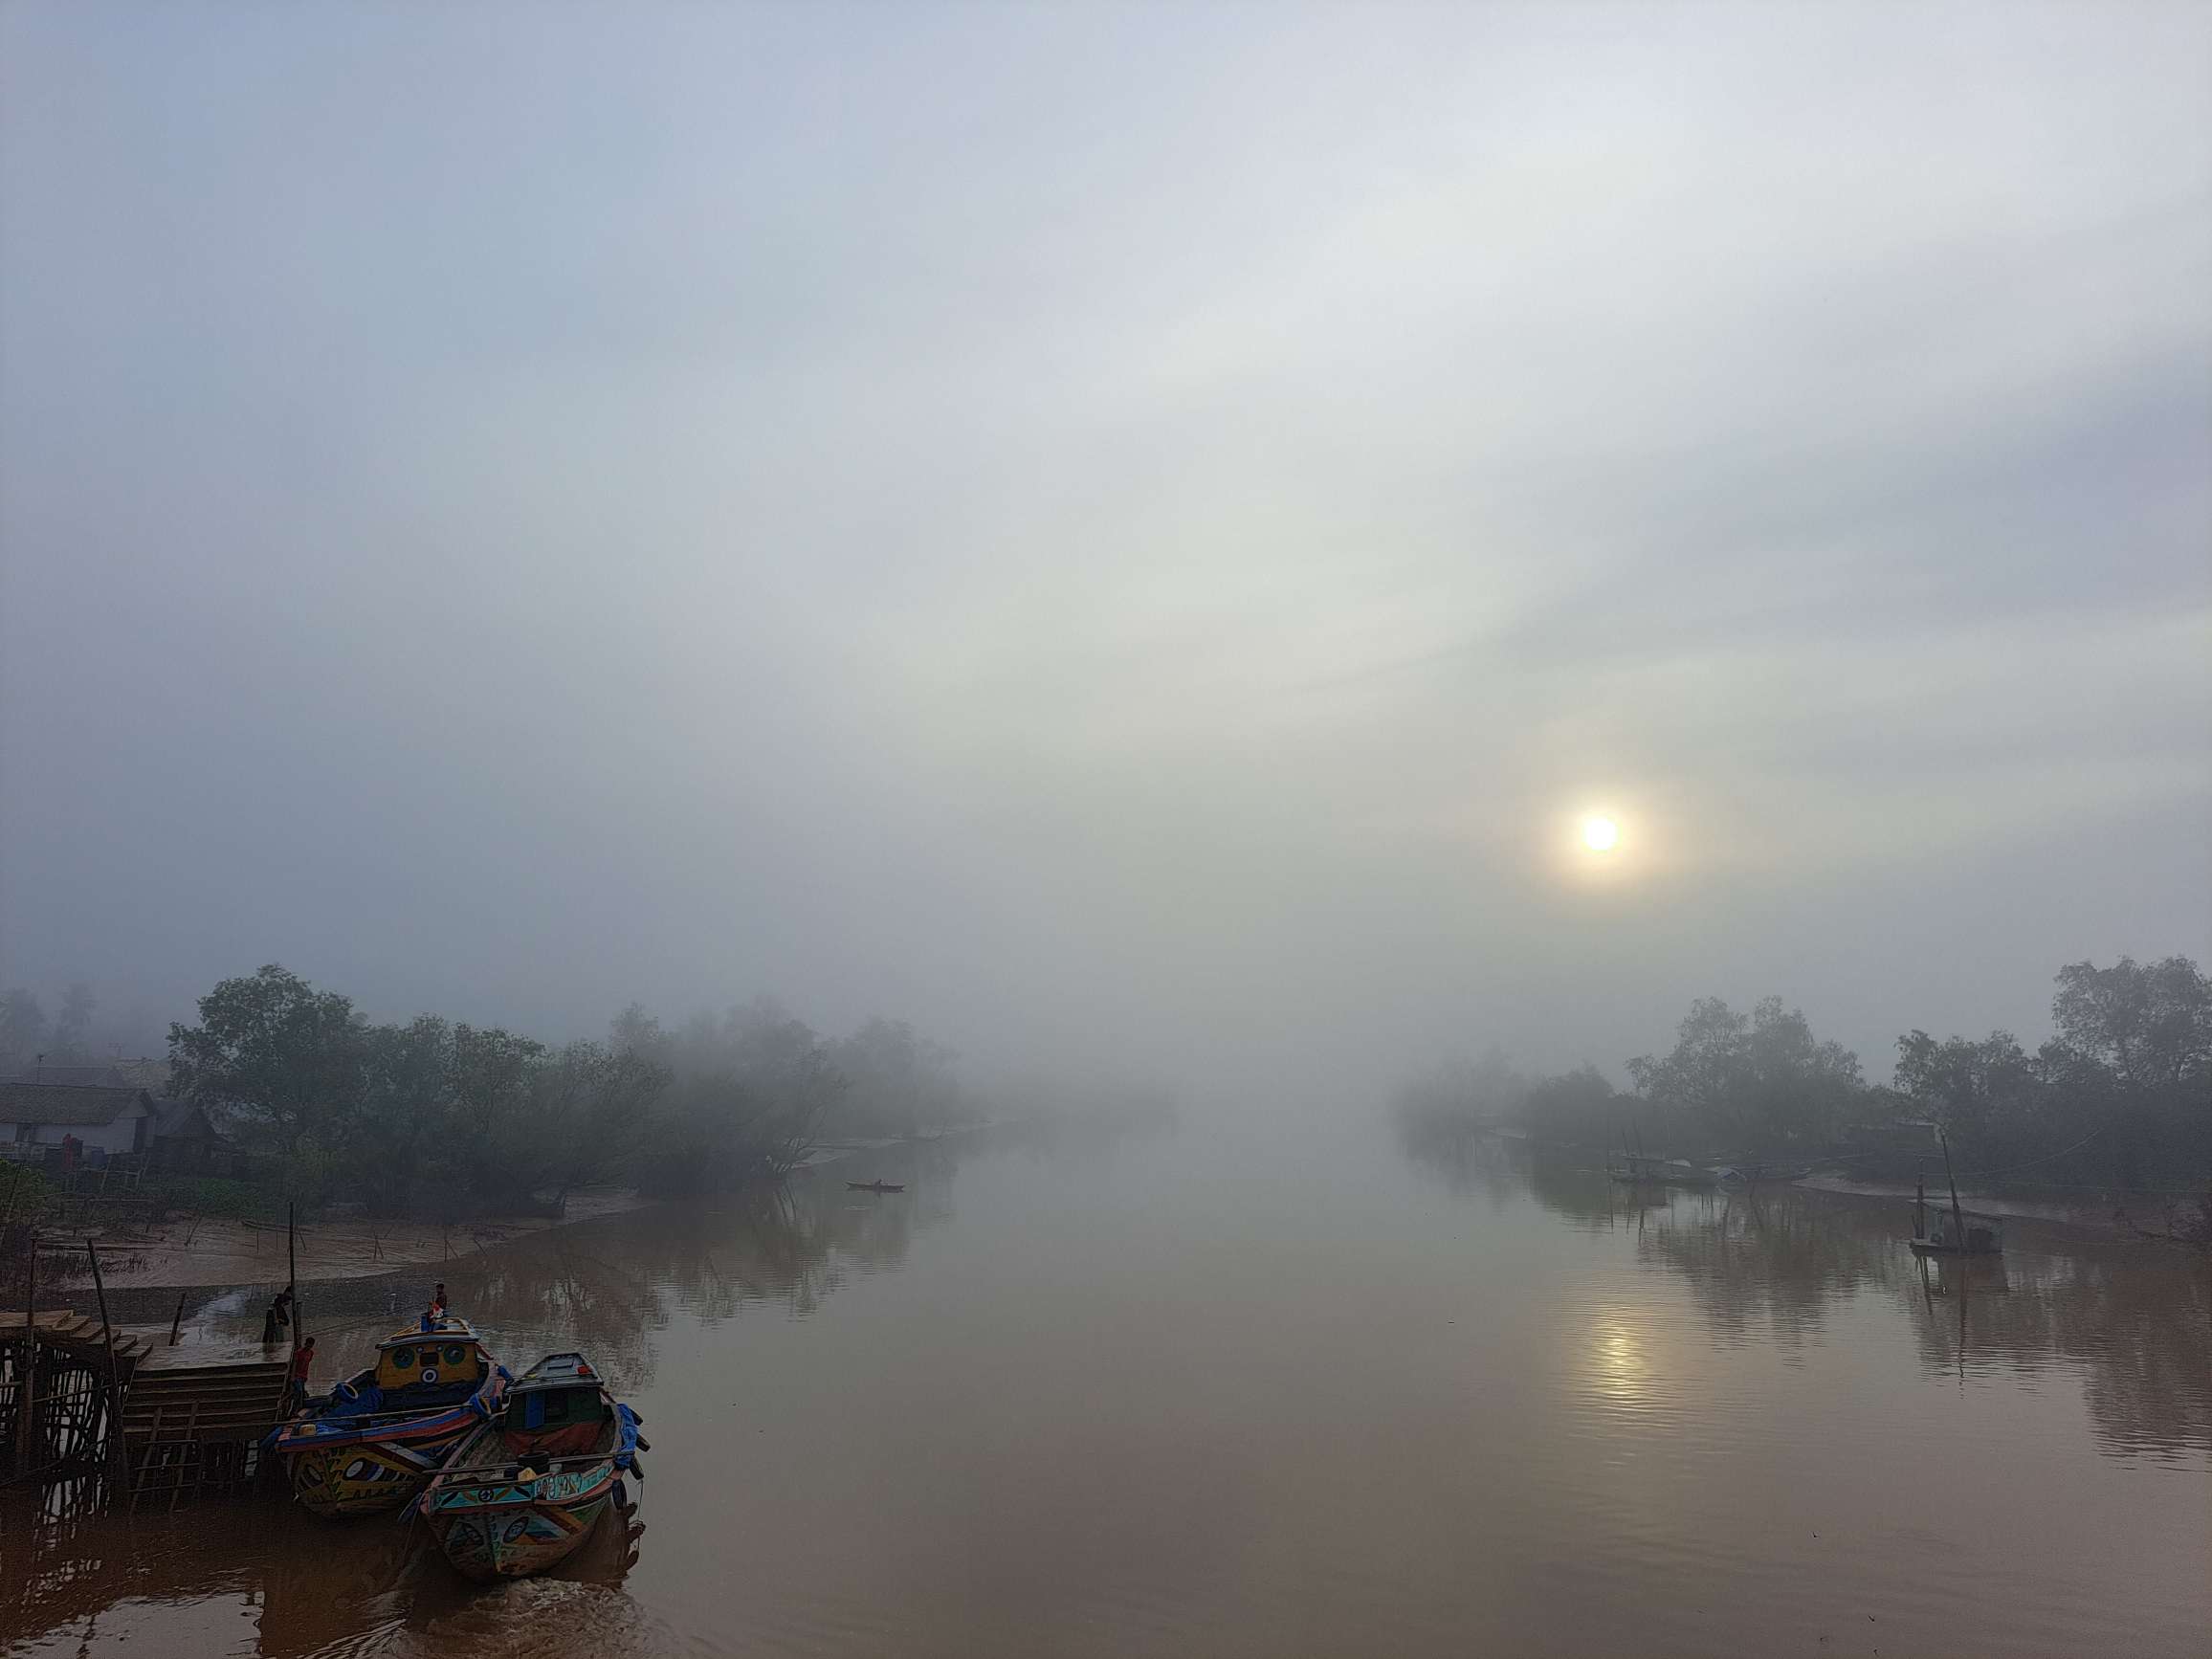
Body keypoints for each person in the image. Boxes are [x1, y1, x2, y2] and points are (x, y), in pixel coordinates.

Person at [286, 1337, 316, 1411]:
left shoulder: (311, 1353)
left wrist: (306, 1376)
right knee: (298, 1392)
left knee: (301, 1393)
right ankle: (293, 1411)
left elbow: (307, 1365)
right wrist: (292, 1376)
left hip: (303, 1376)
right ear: (306, 1344)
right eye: (309, 1345)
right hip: (297, 1375)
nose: (309, 1347)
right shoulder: (299, 1352)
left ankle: (298, 1409)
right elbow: (294, 1365)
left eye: (311, 1345)